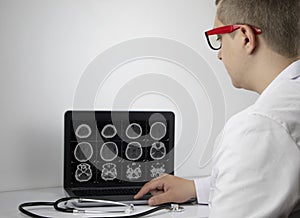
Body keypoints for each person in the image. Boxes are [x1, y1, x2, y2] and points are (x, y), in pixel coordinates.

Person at [134, 0, 300, 217]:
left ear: (245, 37)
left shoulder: (260, 126)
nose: (219, 54)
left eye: (219, 38)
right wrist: (196, 188)